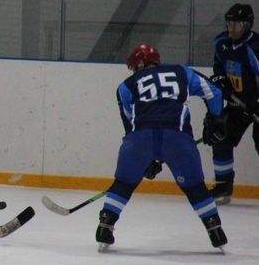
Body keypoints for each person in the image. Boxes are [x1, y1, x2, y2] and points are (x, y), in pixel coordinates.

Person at [96, 44, 227, 252]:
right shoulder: (181, 71)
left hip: (139, 139)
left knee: (123, 183)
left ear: (139, 64)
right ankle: (215, 228)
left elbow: (130, 123)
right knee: (194, 187)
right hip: (178, 137)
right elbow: (213, 93)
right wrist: (216, 118)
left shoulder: (125, 86)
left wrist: (146, 159)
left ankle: (105, 224)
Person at [206, 3, 259, 205]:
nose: (232, 29)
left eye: (237, 24)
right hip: (237, 104)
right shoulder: (221, 42)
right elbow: (218, 66)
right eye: (229, 24)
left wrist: (256, 104)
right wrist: (220, 79)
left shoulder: (255, 47)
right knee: (221, 137)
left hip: (255, 104)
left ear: (247, 25)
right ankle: (223, 186)